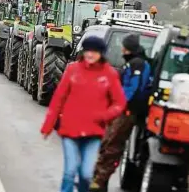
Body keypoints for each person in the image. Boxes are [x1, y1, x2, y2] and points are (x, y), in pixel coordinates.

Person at [40, 36, 127, 192]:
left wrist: (105, 116)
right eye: (87, 51)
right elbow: (58, 99)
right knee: (70, 171)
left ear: (101, 53)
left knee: (86, 174)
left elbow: (119, 103)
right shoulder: (73, 70)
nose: (90, 55)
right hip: (70, 130)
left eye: (94, 52)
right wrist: (48, 125)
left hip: (94, 133)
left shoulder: (109, 74)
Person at [91, 33, 151, 192]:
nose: (122, 49)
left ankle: (98, 181)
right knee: (106, 144)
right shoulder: (132, 63)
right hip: (121, 111)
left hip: (126, 112)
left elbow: (133, 88)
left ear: (129, 48)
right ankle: (98, 181)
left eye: (124, 46)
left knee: (112, 146)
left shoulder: (137, 64)